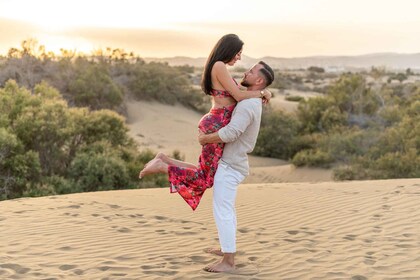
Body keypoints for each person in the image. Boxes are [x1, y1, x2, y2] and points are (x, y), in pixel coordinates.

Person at [138, 34, 271, 210]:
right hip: (216, 123)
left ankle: (164, 160)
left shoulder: (220, 68)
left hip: (217, 121)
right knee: (205, 179)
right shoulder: (219, 66)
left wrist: (264, 93)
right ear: (229, 49)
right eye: (238, 53)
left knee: (203, 172)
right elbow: (239, 95)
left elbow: (240, 91)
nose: (239, 57)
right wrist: (262, 93)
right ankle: (162, 166)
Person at [200, 61, 274, 273]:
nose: (245, 71)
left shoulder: (248, 105)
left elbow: (231, 132)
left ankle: (229, 262)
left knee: (222, 210)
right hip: (233, 163)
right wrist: (264, 92)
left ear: (258, 80)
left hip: (231, 165)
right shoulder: (252, 99)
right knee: (226, 210)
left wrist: (206, 139)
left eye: (251, 71)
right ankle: (227, 250)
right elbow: (240, 92)